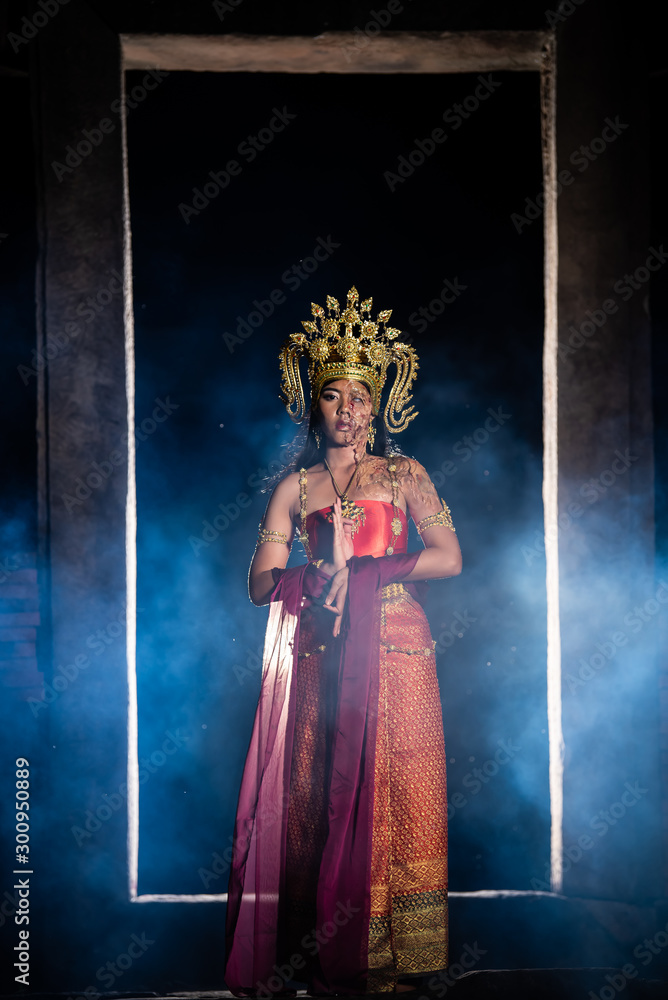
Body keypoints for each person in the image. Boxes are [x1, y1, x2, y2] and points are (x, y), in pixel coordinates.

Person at [224, 287, 462, 997]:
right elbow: (260, 584)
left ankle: (398, 949)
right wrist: (312, 575)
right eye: (334, 394)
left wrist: (362, 571)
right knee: (317, 789)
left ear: (378, 401)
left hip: (398, 650)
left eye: (361, 394)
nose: (349, 408)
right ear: (312, 403)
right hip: (324, 654)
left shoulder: (404, 474)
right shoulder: (293, 489)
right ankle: (325, 945)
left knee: (401, 787)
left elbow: (449, 557)